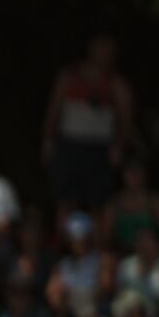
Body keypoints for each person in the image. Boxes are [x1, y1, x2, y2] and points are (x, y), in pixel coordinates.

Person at [42, 34, 133, 211]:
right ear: (91, 49)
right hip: (69, 143)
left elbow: (126, 119)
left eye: (109, 51)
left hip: (98, 147)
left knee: (98, 202)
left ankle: (97, 237)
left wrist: (119, 146)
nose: (104, 54)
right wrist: (48, 140)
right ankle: (68, 237)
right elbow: (54, 110)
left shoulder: (117, 83)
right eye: (101, 49)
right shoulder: (69, 76)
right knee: (66, 199)